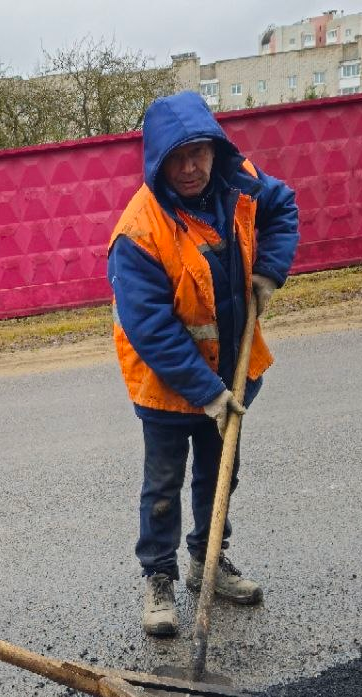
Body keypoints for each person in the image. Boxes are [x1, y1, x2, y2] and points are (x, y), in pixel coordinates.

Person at [108, 91, 299, 637]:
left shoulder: (239, 181)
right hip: (169, 388)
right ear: (157, 160)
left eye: (199, 152)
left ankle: (207, 565)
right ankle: (160, 579)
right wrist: (207, 393)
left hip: (234, 370)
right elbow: (152, 331)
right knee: (164, 487)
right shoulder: (138, 232)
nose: (190, 167)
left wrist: (268, 270)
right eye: (176, 156)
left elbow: (283, 207)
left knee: (219, 476)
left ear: (216, 149)